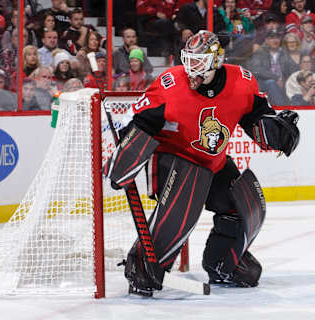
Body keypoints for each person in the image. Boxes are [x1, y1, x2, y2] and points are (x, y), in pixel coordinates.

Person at [105, 30, 300, 296]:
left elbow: (256, 115)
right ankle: (143, 262)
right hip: (170, 159)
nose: (190, 70)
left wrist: (273, 130)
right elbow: (140, 122)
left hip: (213, 161)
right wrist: (128, 152)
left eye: (199, 63)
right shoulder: (170, 85)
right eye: (189, 61)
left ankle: (223, 263)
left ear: (216, 60)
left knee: (244, 203)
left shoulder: (241, 82)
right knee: (189, 187)